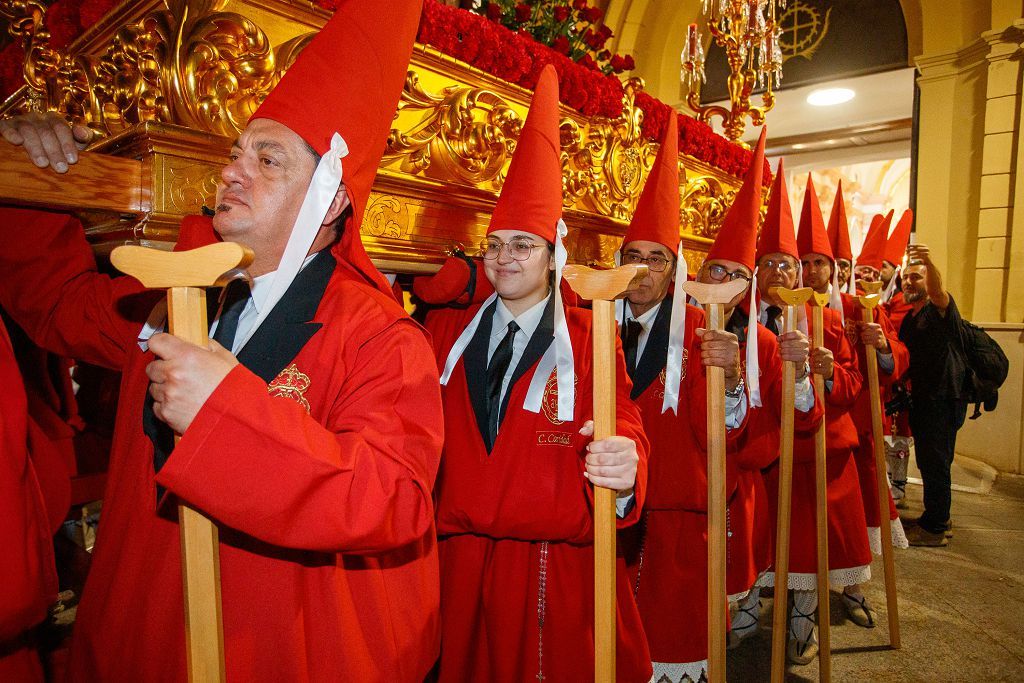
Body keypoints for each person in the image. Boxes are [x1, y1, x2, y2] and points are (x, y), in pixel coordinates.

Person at [0, 1, 445, 680]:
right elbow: (54, 301)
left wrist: (227, 409)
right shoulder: (173, 291)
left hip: (264, 655)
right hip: (135, 644)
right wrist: (19, 168)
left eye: (268, 160)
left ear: (328, 203)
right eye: (236, 152)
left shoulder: (381, 337)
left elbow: (392, 497)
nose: (233, 170)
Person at [424, 65, 652, 683]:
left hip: (554, 570)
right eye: (495, 244)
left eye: (523, 245)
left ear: (554, 254)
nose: (505, 259)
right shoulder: (447, 329)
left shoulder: (588, 333)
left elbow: (623, 416)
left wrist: (627, 461)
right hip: (458, 561)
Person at [616, 115, 745, 683]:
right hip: (608, 517)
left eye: (656, 258)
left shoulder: (702, 333)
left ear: (675, 270)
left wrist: (734, 379)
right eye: (632, 255)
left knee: (675, 651)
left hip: (676, 520)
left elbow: (728, 433)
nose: (640, 270)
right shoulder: (585, 327)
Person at [688, 133, 822, 653]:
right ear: (699, 274)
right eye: (714, 270)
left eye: (737, 274)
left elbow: (801, 413)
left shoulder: (767, 340)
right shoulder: (677, 329)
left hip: (748, 477)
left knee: (744, 572)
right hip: (684, 482)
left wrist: (808, 374)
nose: (724, 281)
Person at [754, 161, 870, 665]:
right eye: (770, 264)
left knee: (814, 542)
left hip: (821, 450)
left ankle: (804, 618)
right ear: (755, 270)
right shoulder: (740, 319)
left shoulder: (824, 321)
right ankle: (747, 612)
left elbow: (853, 385)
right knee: (767, 540)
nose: (779, 273)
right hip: (765, 452)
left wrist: (826, 370)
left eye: (788, 264)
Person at [798, 177, 909, 630]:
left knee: (856, 517)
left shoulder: (857, 306)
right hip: (808, 430)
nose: (809, 271)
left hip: (857, 428)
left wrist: (881, 344)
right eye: (801, 262)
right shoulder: (783, 309)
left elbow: (896, 358)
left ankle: (854, 588)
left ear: (834, 268)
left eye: (818, 263)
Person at [899, 243, 966, 547]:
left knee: (936, 462)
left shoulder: (938, 310)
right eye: (906, 278)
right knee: (928, 461)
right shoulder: (910, 317)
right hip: (924, 399)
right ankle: (937, 516)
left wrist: (927, 260)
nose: (909, 282)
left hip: (943, 398)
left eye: (916, 277)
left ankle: (936, 528)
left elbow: (940, 292)